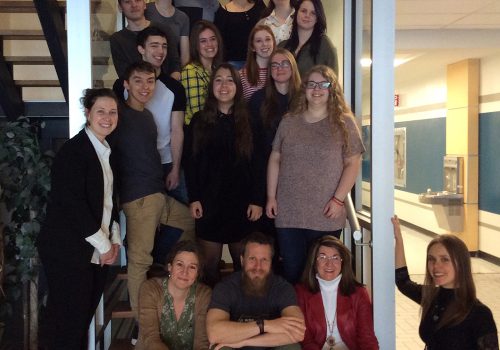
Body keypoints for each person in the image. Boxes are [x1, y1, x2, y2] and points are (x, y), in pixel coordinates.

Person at [108, 61, 194, 331]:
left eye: (149, 81)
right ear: (126, 84)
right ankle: (142, 328)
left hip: (158, 193)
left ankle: (166, 268)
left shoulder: (146, 116)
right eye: (138, 81)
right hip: (139, 198)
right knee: (139, 261)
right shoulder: (118, 115)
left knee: (189, 223)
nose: (145, 87)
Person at [37, 88, 121, 349]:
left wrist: (115, 240)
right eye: (100, 111)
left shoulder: (107, 149)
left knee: (78, 324)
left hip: (93, 252)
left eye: (112, 112)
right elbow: (73, 205)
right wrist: (105, 246)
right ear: (87, 113)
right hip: (68, 252)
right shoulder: (74, 151)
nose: (107, 117)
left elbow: (109, 202)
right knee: (65, 325)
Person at [266, 65, 364, 284]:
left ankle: (320, 319)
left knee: (322, 275)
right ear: (305, 89)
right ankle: (295, 319)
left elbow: (352, 163)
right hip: (289, 212)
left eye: (323, 84)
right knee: (292, 271)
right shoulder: (289, 121)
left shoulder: (345, 123)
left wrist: (339, 199)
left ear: (332, 89)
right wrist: (271, 196)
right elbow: (275, 158)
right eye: (311, 84)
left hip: (326, 213)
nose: (317, 89)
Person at [184, 63, 265, 286]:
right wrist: (194, 198)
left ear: (237, 86)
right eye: (218, 80)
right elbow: (190, 163)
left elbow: (259, 164)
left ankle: (242, 317)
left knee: (244, 267)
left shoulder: (251, 120)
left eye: (229, 80)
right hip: (209, 203)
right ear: (211, 87)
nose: (224, 85)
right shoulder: (198, 121)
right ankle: (212, 318)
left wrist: (258, 200)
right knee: (209, 267)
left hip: (243, 204)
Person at [393, 215, 499, 350]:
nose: (436, 266)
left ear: (461, 264)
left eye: (444, 259)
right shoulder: (432, 297)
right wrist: (399, 239)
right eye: (432, 259)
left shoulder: (479, 314)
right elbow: (403, 281)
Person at [206, 232, 305, 349]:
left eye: (264, 260)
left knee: (291, 347)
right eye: (252, 259)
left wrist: (245, 342)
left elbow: (298, 333)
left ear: (271, 263)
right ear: (242, 260)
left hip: (265, 346)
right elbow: (214, 334)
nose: (258, 266)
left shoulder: (282, 287)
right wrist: (264, 325)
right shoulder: (226, 287)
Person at [295, 235, 379, 350]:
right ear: (314, 262)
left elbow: (367, 338)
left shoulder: (359, 293)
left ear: (342, 262)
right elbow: (306, 338)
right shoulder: (301, 292)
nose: (329, 264)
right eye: (323, 257)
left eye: (335, 258)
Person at [136, 240, 211, 350]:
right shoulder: (151, 289)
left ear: (198, 273)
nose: (184, 272)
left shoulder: (204, 295)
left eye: (192, 267)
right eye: (179, 264)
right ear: (170, 267)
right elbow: (151, 338)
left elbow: (201, 343)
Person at [110, 0, 181, 79]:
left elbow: (175, 66)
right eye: (127, 2)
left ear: (144, 4)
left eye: (138, 0)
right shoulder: (117, 39)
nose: (134, 5)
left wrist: (169, 88)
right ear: (120, 7)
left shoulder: (164, 30)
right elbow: (124, 75)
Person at [280, 0, 338, 77]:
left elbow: (332, 82)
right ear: (296, 13)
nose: (307, 15)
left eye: (313, 13)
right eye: (303, 11)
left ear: (317, 18)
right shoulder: (282, 46)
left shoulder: (324, 45)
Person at [180, 20, 223, 125]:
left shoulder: (217, 69)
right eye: (203, 41)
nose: (210, 44)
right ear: (196, 45)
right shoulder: (190, 71)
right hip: (199, 131)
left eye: (213, 39)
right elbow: (198, 113)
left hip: (216, 125)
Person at [214, 0, 267, 69]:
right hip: (234, 64)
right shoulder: (222, 12)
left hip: (259, 60)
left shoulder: (260, 6)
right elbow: (219, 42)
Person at [145, 0, 191, 66]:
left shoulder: (183, 17)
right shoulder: (145, 9)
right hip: (147, 68)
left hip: (173, 67)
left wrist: (184, 73)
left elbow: (185, 55)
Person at [239, 25, 276, 101]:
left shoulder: (281, 70)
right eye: (259, 41)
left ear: (273, 43)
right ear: (252, 47)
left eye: (268, 39)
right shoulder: (241, 75)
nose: (264, 44)